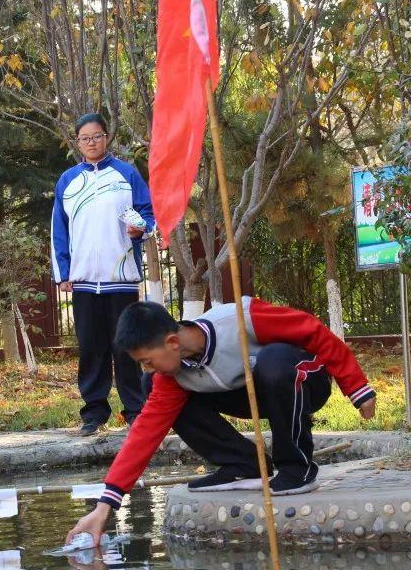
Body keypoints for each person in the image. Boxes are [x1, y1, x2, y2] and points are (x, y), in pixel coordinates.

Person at [65, 298, 376, 544]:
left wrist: (357, 389)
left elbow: (313, 331)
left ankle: (297, 467)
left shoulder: (241, 319)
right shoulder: (171, 376)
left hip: (302, 379)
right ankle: (244, 465)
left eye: (147, 361)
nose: (147, 368)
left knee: (275, 360)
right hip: (246, 392)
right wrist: (106, 505)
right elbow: (145, 433)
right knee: (155, 389)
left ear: (173, 342)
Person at [51, 113, 155, 436]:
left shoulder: (127, 174)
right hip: (83, 282)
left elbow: (149, 215)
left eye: (97, 136)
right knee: (91, 348)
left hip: (120, 279)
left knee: (125, 347)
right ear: (77, 143)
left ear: (106, 137)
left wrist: (141, 230)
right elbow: (58, 232)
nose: (92, 143)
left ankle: (135, 410)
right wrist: (63, 273)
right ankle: (94, 413)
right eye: (85, 138)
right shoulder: (67, 181)